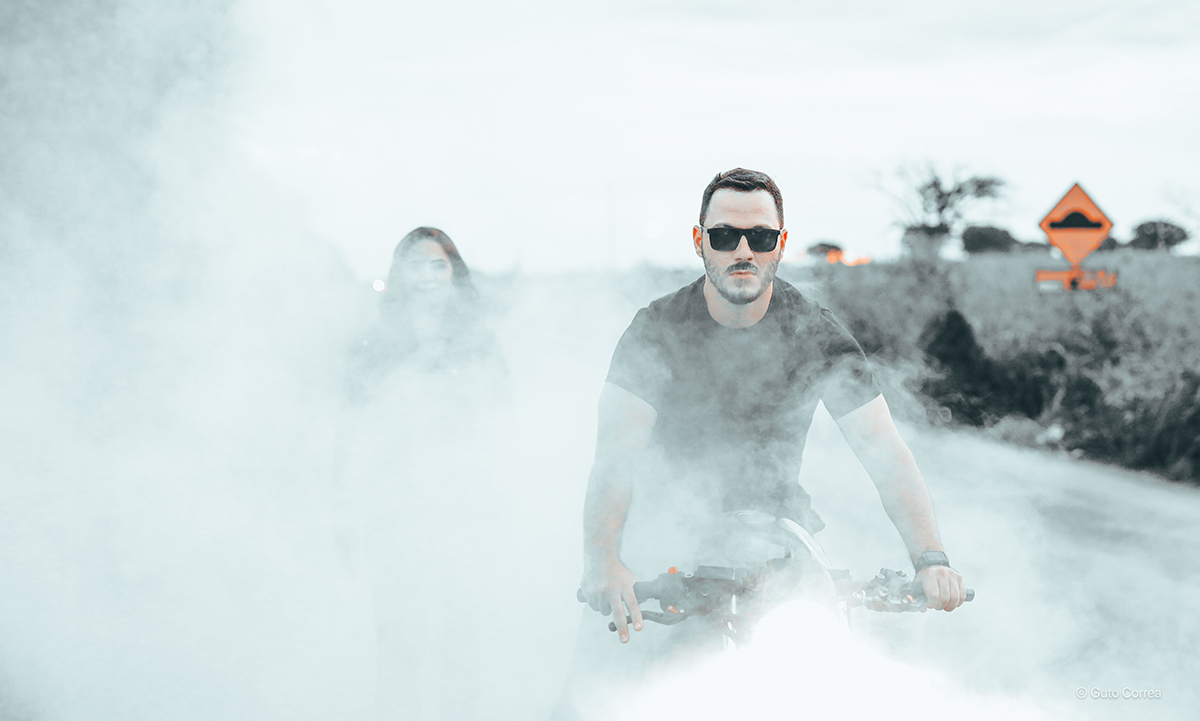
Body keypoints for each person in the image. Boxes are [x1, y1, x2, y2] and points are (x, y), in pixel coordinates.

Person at [560, 168, 967, 716]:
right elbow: (615, 460)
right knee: (593, 691)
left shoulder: (816, 334)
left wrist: (930, 559)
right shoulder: (655, 330)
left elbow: (885, 451)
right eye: (725, 235)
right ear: (700, 241)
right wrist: (604, 561)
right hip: (663, 546)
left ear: (781, 243)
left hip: (778, 547)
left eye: (760, 236)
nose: (743, 250)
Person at [345, 226, 494, 401]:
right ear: (400, 275)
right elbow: (353, 404)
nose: (427, 276)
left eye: (439, 266)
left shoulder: (479, 342)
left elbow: (500, 402)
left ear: (454, 272)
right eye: (415, 266)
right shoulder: (373, 345)